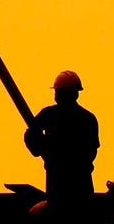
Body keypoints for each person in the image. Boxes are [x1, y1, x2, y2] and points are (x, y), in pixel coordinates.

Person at [25, 71, 100, 213]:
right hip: (81, 182)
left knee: (58, 220)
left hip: (59, 182)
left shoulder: (49, 114)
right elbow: (92, 151)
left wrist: (43, 150)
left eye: (58, 92)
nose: (55, 95)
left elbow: (30, 136)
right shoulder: (88, 118)